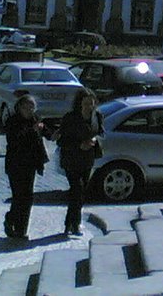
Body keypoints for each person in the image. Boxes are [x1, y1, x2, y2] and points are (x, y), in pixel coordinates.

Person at [53, 88, 103, 236]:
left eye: (91, 104)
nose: (89, 107)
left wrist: (94, 140)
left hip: (87, 160)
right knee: (77, 189)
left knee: (81, 193)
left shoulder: (97, 116)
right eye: (86, 104)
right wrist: (79, 145)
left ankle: (73, 222)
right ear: (79, 104)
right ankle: (73, 224)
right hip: (71, 159)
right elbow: (61, 140)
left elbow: (102, 133)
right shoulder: (70, 117)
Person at [3, 93, 48, 239]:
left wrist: (48, 131)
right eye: (26, 107)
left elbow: (46, 133)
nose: (29, 110)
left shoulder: (36, 119)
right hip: (15, 164)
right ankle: (10, 220)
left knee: (28, 197)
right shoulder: (12, 121)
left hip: (31, 165)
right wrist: (33, 130)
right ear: (19, 107)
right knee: (18, 197)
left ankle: (22, 230)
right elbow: (15, 140)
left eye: (32, 107)